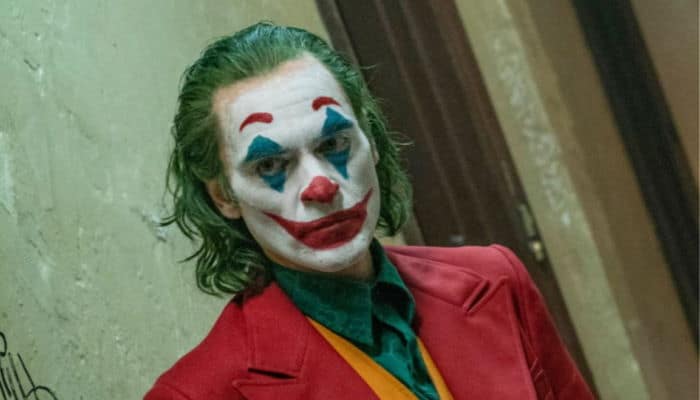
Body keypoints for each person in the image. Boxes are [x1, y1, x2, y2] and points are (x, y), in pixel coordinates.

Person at [144, 22, 594, 400]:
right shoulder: (199, 393)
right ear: (223, 196)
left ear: (371, 141)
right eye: (270, 165)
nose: (320, 186)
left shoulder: (495, 280)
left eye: (334, 143)